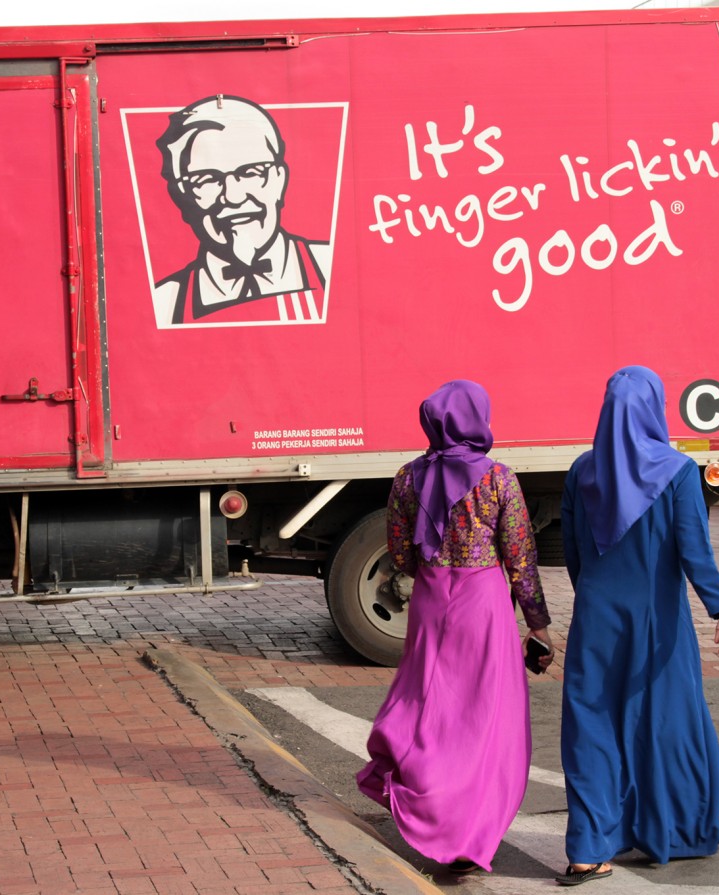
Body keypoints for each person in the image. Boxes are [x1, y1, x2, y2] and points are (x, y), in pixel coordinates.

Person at [356, 379, 556, 875]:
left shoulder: (407, 478)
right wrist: (539, 627)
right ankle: (468, 833)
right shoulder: (498, 479)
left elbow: (400, 554)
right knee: (484, 722)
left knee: (431, 709)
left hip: (429, 602)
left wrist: (431, 568)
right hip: (483, 607)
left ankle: (427, 800)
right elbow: (522, 561)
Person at [556, 366, 719, 885]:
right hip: (659, 622)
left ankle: (587, 850)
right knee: (671, 722)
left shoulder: (581, 472)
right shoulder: (679, 472)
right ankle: (683, 823)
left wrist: (595, 596)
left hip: (596, 621)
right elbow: (693, 550)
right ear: (654, 410)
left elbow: (572, 554)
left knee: (590, 729)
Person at [154, 95, 332, 325]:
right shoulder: (164, 303)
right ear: (182, 196)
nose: (233, 196)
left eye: (250, 172)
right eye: (207, 179)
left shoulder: (330, 267)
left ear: (279, 180)